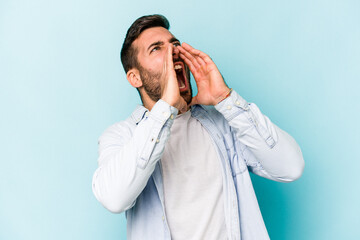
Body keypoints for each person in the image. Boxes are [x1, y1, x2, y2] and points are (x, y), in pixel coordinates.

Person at [92, 14, 305, 240]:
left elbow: (290, 167)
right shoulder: (121, 136)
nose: (172, 52)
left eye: (175, 45)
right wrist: (165, 110)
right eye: (156, 49)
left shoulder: (224, 123)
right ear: (135, 78)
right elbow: (114, 198)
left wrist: (226, 99)